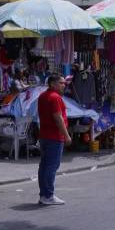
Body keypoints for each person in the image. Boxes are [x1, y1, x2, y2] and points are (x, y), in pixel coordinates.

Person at [37, 74, 71, 206]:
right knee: (51, 166)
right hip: (54, 137)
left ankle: (44, 194)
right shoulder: (55, 97)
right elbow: (58, 118)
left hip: (44, 136)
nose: (64, 85)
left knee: (44, 166)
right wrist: (67, 135)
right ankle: (48, 195)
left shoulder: (42, 96)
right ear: (52, 84)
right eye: (61, 83)